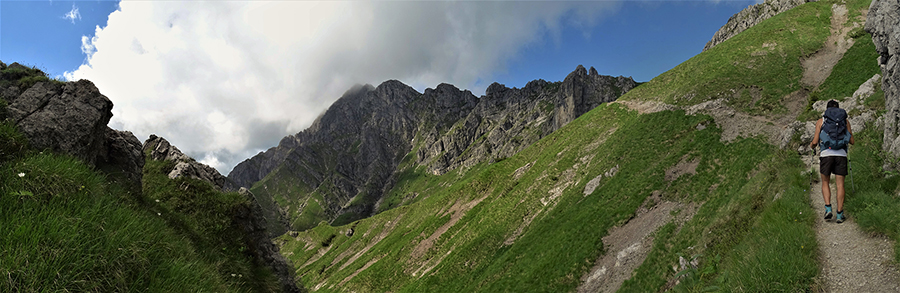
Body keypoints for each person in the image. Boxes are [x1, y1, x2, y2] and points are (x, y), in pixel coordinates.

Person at [810, 100, 854, 223]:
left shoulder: (821, 121)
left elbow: (815, 141)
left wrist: (812, 146)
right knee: (840, 184)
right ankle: (840, 214)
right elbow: (852, 141)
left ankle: (828, 208)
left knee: (825, 182)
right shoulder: (845, 122)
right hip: (841, 155)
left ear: (827, 110)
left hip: (826, 155)